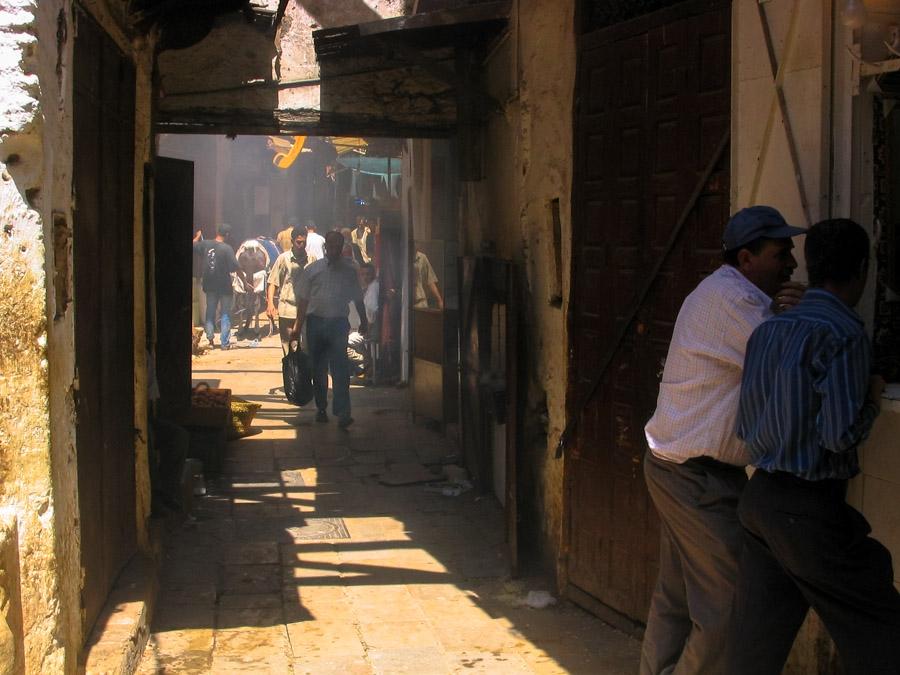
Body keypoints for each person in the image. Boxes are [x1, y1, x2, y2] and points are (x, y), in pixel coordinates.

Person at [726, 218, 900, 675]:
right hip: (807, 510)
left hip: (761, 499)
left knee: (753, 649)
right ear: (863, 269)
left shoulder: (769, 330)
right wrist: (874, 395)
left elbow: (745, 425)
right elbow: (838, 434)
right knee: (882, 628)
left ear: (808, 265)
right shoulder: (843, 333)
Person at [640, 205, 806, 675]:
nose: (790, 262)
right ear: (747, 259)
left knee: (676, 599)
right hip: (694, 477)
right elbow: (788, 359)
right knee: (729, 608)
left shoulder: (734, 296)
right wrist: (816, 309)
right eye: (781, 253)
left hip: (683, 468)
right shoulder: (734, 302)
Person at [291, 230, 368, 428]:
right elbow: (303, 301)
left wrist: (364, 319)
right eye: (330, 247)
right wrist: (297, 328)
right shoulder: (313, 270)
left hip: (338, 325)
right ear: (326, 247)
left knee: (340, 369)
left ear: (342, 248)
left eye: (337, 247)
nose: (333, 250)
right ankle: (322, 407)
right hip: (315, 324)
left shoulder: (350, 270)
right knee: (318, 368)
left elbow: (358, 297)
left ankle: (343, 412)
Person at [193, 223, 243, 350]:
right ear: (227, 234)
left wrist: (198, 237)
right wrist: (245, 282)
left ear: (217, 232)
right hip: (224, 286)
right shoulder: (227, 248)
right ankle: (224, 343)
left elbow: (193, 245)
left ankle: (210, 340)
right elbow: (236, 267)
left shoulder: (205, 244)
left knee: (210, 311)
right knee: (225, 313)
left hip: (210, 285)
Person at [267, 225, 308, 351]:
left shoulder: (312, 259)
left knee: (306, 348)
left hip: (307, 311)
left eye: (304, 242)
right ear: (292, 242)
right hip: (287, 309)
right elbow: (272, 282)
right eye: (298, 242)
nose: (301, 245)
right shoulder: (283, 259)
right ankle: (291, 370)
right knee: (288, 348)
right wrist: (270, 304)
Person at [348, 262, 379, 377]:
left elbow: (372, 313)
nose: (365, 277)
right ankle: (368, 362)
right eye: (363, 274)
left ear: (373, 275)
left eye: (368, 274)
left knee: (344, 342)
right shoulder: (366, 289)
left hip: (373, 329)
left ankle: (367, 361)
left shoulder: (373, 288)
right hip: (366, 328)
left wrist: (368, 330)